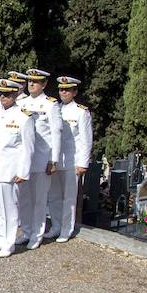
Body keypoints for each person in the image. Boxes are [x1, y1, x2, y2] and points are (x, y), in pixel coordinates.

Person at [0, 78, 36, 258]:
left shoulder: (23, 117)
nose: (3, 97)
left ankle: (9, 243)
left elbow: (28, 147)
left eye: (8, 94)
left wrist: (23, 171)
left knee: (10, 209)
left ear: (16, 94)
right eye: (1, 94)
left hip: (9, 170)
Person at [16, 69, 63, 249]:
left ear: (43, 84)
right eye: (30, 81)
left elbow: (56, 133)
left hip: (42, 158)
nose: (32, 84)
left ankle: (37, 234)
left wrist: (53, 160)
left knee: (40, 199)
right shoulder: (22, 103)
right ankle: (27, 231)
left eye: (36, 82)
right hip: (25, 159)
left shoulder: (50, 105)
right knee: (25, 198)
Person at [46, 76, 92, 242]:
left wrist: (83, 163)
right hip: (55, 160)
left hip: (72, 161)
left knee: (69, 198)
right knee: (54, 196)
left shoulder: (81, 112)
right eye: (61, 89)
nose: (63, 92)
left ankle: (67, 229)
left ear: (75, 92)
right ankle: (56, 226)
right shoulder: (54, 108)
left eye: (67, 89)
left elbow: (86, 139)